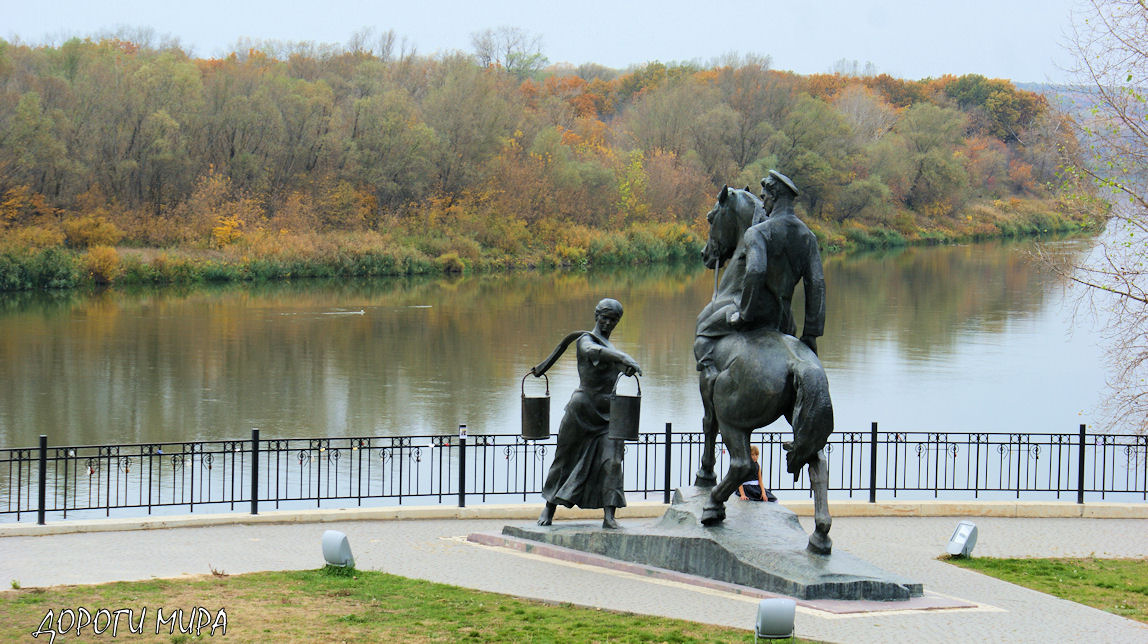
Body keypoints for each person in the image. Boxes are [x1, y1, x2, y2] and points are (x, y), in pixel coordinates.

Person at [534, 298, 643, 529]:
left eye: (613, 320)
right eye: (605, 317)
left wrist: (627, 366)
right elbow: (592, 351)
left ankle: (609, 515)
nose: (608, 323)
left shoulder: (610, 349)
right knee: (564, 458)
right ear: (596, 316)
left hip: (608, 415)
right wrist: (622, 357)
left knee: (613, 462)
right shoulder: (585, 340)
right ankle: (549, 507)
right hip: (581, 412)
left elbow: (616, 365)